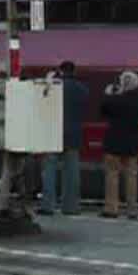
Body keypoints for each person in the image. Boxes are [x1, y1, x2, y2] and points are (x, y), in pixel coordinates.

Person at [40, 61, 89, 215]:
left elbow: (42, 101)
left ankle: (48, 205)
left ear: (60, 71)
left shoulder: (54, 87)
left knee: (49, 169)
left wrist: (48, 80)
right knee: (72, 171)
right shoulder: (83, 89)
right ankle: (71, 207)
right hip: (74, 134)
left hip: (53, 133)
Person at [100, 70, 138, 219]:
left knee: (112, 176)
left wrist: (109, 94)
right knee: (131, 177)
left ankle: (111, 208)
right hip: (132, 144)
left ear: (122, 83)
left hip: (113, 143)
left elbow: (103, 110)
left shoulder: (116, 99)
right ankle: (132, 209)